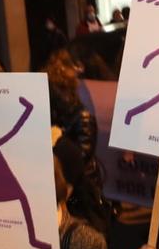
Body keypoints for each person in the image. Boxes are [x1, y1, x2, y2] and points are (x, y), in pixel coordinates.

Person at [43, 49, 111, 233]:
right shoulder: (53, 118)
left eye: (57, 90)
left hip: (79, 197)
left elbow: (79, 159)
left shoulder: (83, 118)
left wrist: (58, 142)